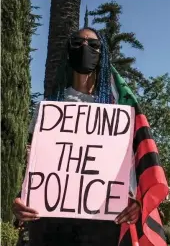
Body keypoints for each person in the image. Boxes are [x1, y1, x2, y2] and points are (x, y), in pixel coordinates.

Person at [12, 27, 141, 246]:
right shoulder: (49, 110)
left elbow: (128, 169)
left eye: (93, 45)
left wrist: (134, 203)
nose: (84, 48)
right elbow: (33, 163)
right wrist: (19, 199)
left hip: (100, 225)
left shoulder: (117, 112)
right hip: (51, 225)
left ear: (103, 55)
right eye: (78, 43)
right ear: (67, 52)